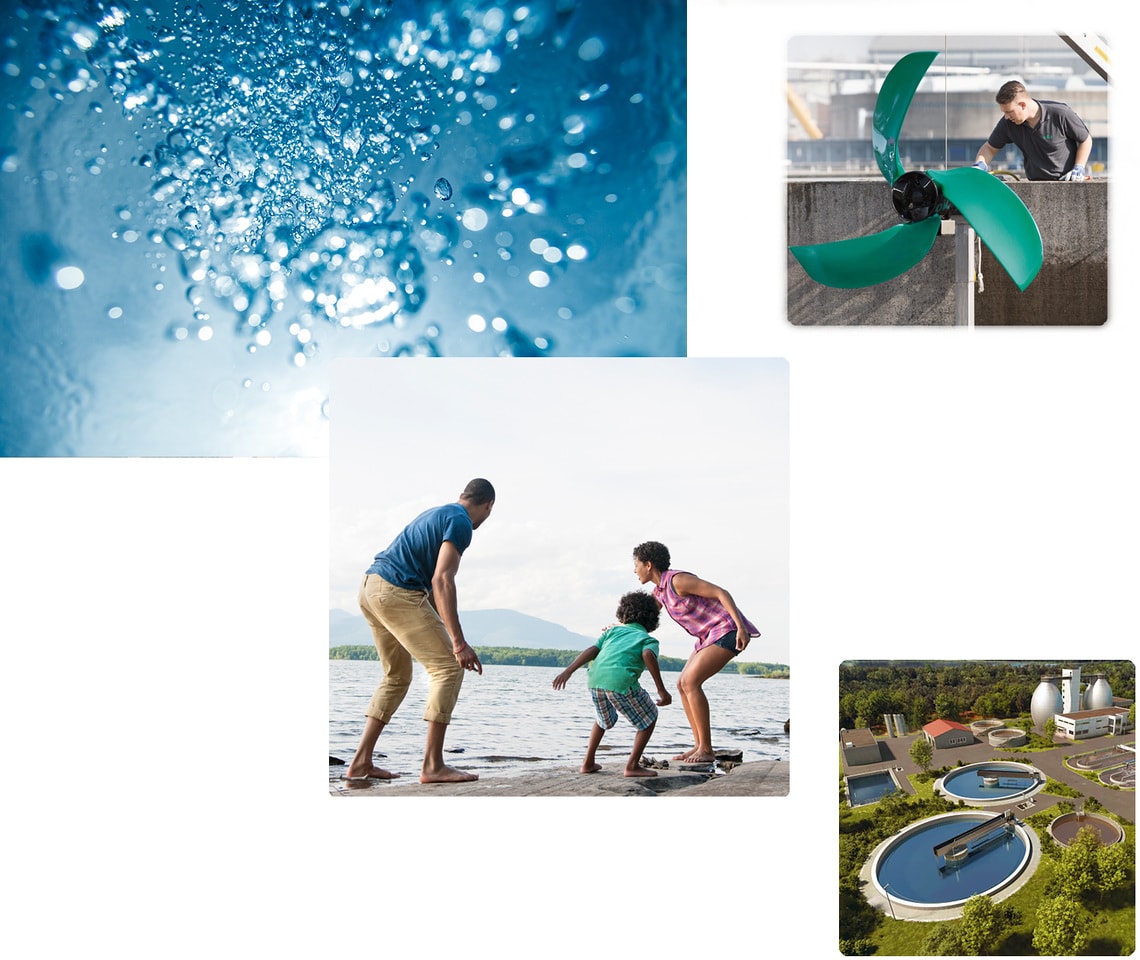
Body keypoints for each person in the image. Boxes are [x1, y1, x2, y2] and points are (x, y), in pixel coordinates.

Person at [345, 478, 494, 784]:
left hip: (370, 587)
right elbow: (443, 580)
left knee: (396, 677)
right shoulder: (462, 521)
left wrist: (455, 638)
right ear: (488, 506)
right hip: (395, 591)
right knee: (449, 668)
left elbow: (435, 595)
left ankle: (360, 762)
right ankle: (433, 765)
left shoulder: (439, 513)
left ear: (462, 495)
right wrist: (458, 644)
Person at [632, 540, 759, 765]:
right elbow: (642, 619)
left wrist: (741, 627)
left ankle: (707, 749)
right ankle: (699, 745)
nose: (635, 570)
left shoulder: (677, 580)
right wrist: (617, 629)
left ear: (648, 564)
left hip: (726, 629)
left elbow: (721, 592)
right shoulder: (659, 592)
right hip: (707, 637)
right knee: (681, 683)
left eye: (637, 564)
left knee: (691, 682)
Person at [551, 591, 671, 777]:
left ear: (623, 613)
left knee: (603, 720)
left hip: (595, 681)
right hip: (620, 682)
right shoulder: (648, 639)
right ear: (653, 620)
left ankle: (588, 762)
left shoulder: (612, 632)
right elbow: (648, 655)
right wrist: (662, 690)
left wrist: (569, 671)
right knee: (649, 717)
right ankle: (632, 766)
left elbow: (592, 650)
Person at [972, 81, 1092, 181]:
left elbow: (1085, 139)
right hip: (1034, 187)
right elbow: (990, 148)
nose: (1006, 117)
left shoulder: (1061, 114)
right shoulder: (1008, 123)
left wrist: (1079, 166)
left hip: (1066, 184)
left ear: (1023, 105)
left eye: (1009, 112)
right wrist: (980, 165)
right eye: (1004, 113)